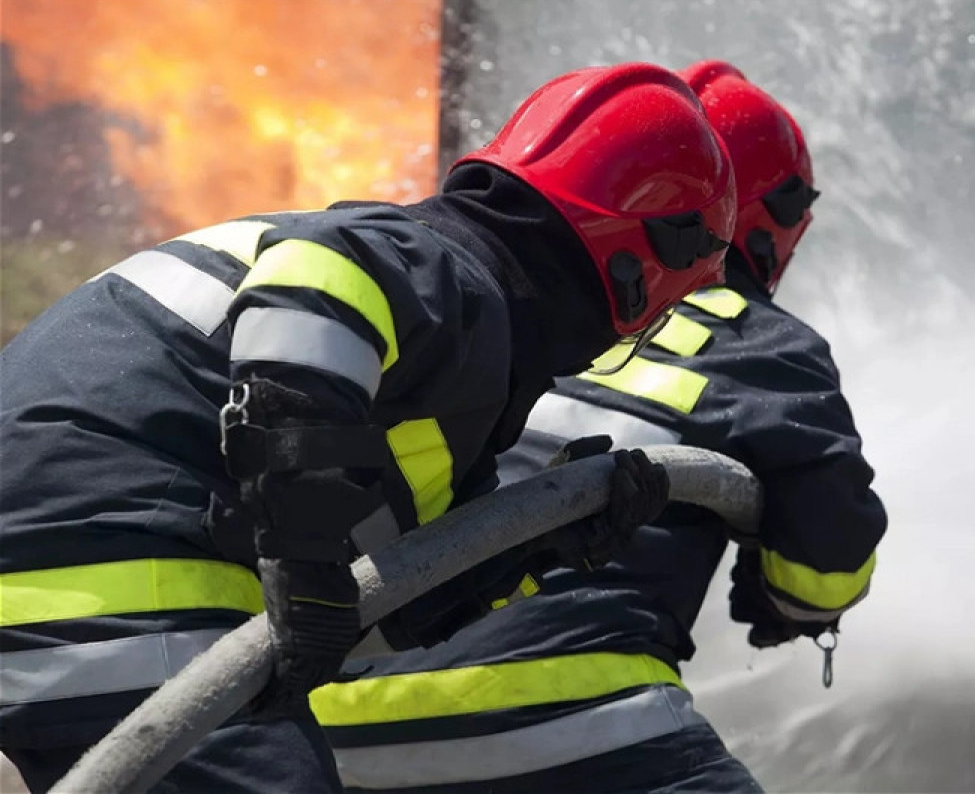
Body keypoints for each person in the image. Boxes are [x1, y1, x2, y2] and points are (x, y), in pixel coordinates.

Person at [0, 61, 738, 793]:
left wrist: (533, 547)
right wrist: (304, 554)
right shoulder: (443, 270)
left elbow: (364, 617)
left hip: (65, 571)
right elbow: (314, 291)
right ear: (645, 263)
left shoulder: (441, 361)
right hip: (106, 565)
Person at [314, 60, 888, 794]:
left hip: (324, 722)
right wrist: (782, 595)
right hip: (557, 715)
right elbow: (826, 570)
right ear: (766, 219)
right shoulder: (761, 344)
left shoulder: (495, 303)